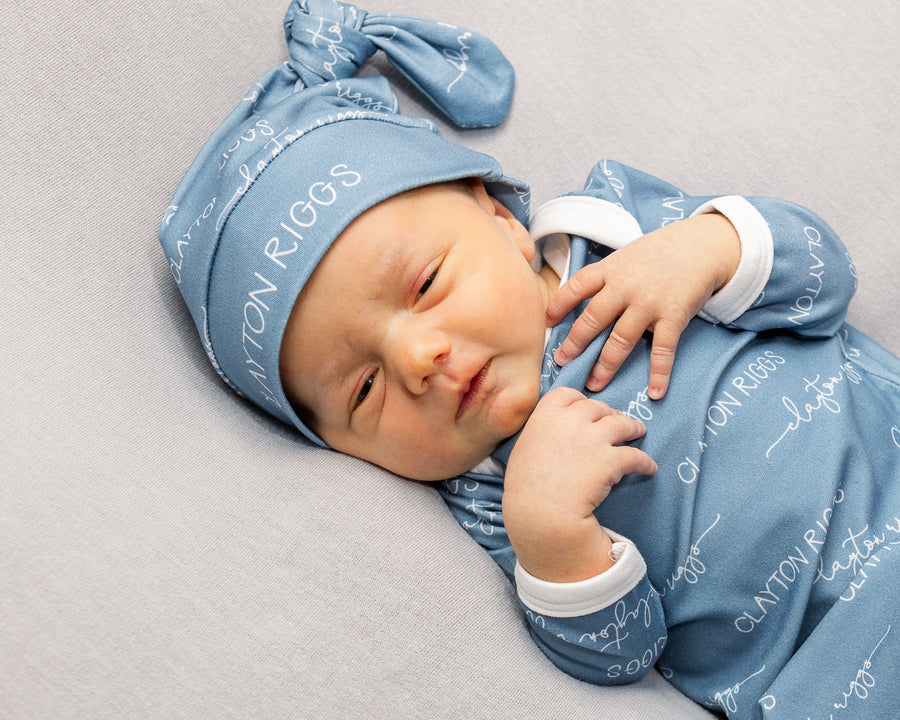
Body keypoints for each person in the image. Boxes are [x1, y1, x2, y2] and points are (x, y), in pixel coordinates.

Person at [159, 2, 900, 718]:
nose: (419, 357)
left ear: (502, 221)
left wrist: (707, 249)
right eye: (363, 391)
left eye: (425, 284)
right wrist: (553, 539)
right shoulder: (492, 495)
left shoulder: (615, 235)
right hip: (831, 669)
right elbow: (624, 655)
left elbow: (825, 284)